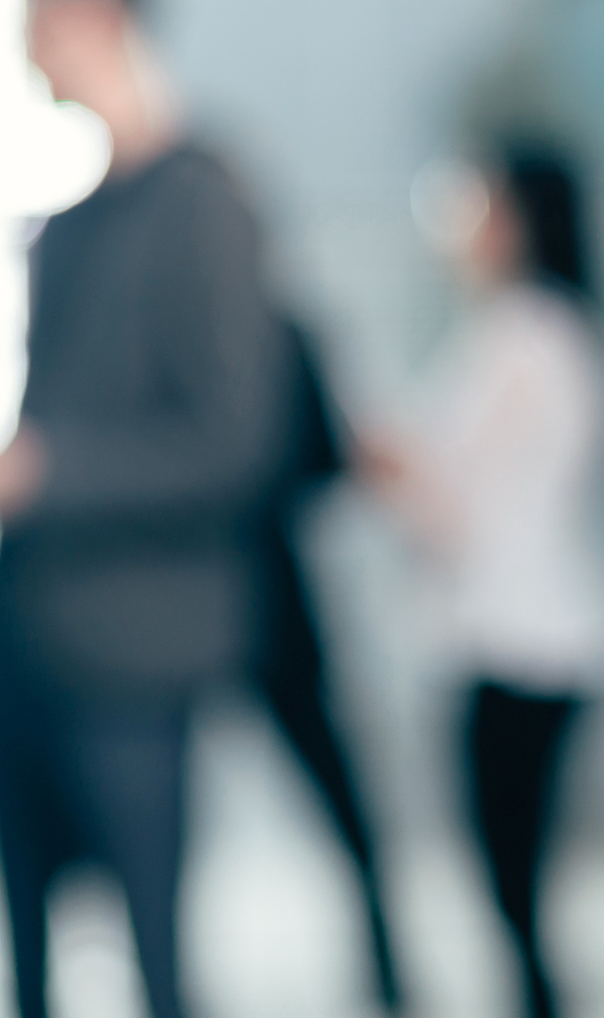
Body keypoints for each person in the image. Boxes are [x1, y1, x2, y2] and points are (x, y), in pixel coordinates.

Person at [0, 0, 289, 1018]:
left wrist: (52, 472)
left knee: (154, 953)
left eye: (36, 28)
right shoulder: (70, 219)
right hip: (24, 641)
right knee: (24, 958)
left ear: (97, 22)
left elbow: (235, 441)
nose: (26, 54)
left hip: (136, 655)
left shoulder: (204, 203)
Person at [361, 134, 604, 1018]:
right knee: (515, 891)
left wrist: (380, 461)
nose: (457, 225)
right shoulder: (556, 331)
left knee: (512, 891)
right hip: (532, 638)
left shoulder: (525, 336)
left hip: (522, 644)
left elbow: (452, 504)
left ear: (517, 219)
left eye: (474, 203)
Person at [253, 320, 405, 1014]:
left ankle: (388, 976)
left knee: (350, 814)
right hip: (189, 609)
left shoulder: (280, 331)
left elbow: (325, 459)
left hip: (275, 607)